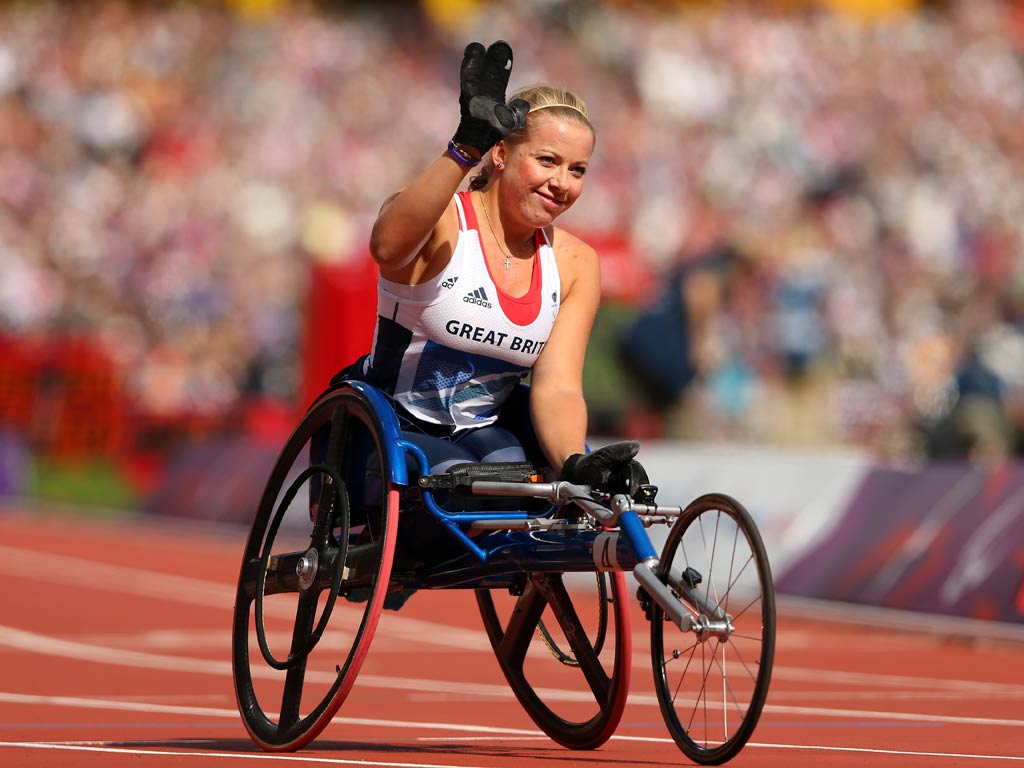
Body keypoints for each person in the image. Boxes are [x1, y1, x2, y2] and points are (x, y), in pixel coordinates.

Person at [339, 40, 644, 494]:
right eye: (547, 161)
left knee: (534, 492)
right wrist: (463, 150)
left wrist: (577, 465)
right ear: (500, 154)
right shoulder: (443, 220)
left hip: (483, 438)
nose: (562, 183)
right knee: (478, 492)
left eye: (577, 170)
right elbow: (386, 246)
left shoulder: (576, 263)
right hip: (387, 430)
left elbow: (558, 388)